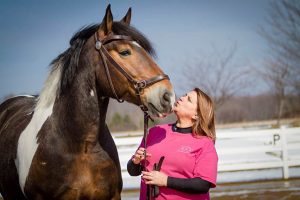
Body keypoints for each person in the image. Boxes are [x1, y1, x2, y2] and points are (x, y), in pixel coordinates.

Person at [127, 88, 218, 200]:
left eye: (188, 99)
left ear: (196, 115)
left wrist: (166, 181)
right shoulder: (155, 132)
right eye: (185, 95)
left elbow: (203, 185)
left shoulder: (204, 143)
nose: (182, 98)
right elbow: (133, 171)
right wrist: (135, 161)